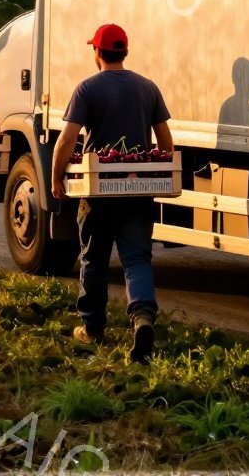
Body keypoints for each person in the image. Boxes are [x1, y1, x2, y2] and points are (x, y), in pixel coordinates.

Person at [48, 22, 175, 363]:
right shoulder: (148, 88)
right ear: (126, 52)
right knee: (136, 259)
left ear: (97, 53)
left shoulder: (88, 89)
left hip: (99, 192)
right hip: (138, 192)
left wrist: (56, 177)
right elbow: (165, 143)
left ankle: (92, 328)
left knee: (94, 258)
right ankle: (143, 317)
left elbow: (68, 139)